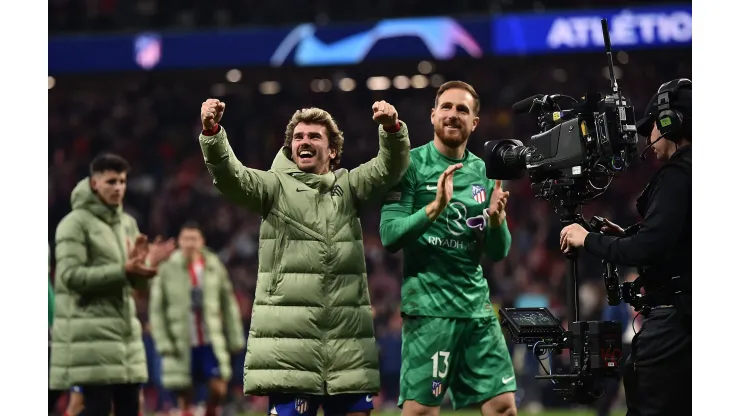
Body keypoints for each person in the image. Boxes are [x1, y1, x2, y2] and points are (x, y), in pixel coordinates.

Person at [198, 98, 411, 416]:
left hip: (346, 346)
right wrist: (213, 134)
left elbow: (389, 167)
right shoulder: (272, 186)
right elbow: (231, 177)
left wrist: (393, 130)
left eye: (314, 137)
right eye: (299, 137)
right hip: (290, 350)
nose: (305, 142)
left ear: (333, 151)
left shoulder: (349, 186)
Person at [379, 81, 517, 416]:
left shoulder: (485, 173)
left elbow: (499, 253)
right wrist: (434, 208)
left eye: (462, 110)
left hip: (477, 309)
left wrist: (497, 223)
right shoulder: (409, 165)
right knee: (421, 412)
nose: (453, 115)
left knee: (502, 407)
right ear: (433, 115)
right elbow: (389, 236)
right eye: (447, 107)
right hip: (429, 309)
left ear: (475, 123)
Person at [560, 78, 692, 416]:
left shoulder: (679, 173)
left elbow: (647, 249)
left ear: (670, 124)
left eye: (651, 129)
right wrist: (623, 236)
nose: (648, 139)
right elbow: (673, 240)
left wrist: (587, 239)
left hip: (677, 323)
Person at [50, 153, 175, 416]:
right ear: (94, 184)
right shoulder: (73, 225)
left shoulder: (127, 223)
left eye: (122, 181)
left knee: (131, 409)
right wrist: (123, 270)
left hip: (125, 335)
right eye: (111, 182)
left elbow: (135, 285)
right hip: (90, 336)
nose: (118, 187)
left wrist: (146, 266)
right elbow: (69, 277)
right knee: (98, 410)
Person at [149, 221, 246, 416]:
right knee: (185, 390)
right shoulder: (168, 268)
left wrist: (235, 335)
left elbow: (227, 302)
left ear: (202, 241)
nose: (189, 243)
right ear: (179, 241)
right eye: (185, 239)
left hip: (209, 338)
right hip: (182, 338)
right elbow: (157, 308)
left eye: (194, 239)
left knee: (219, 387)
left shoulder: (213, 266)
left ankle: (209, 411)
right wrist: (163, 340)